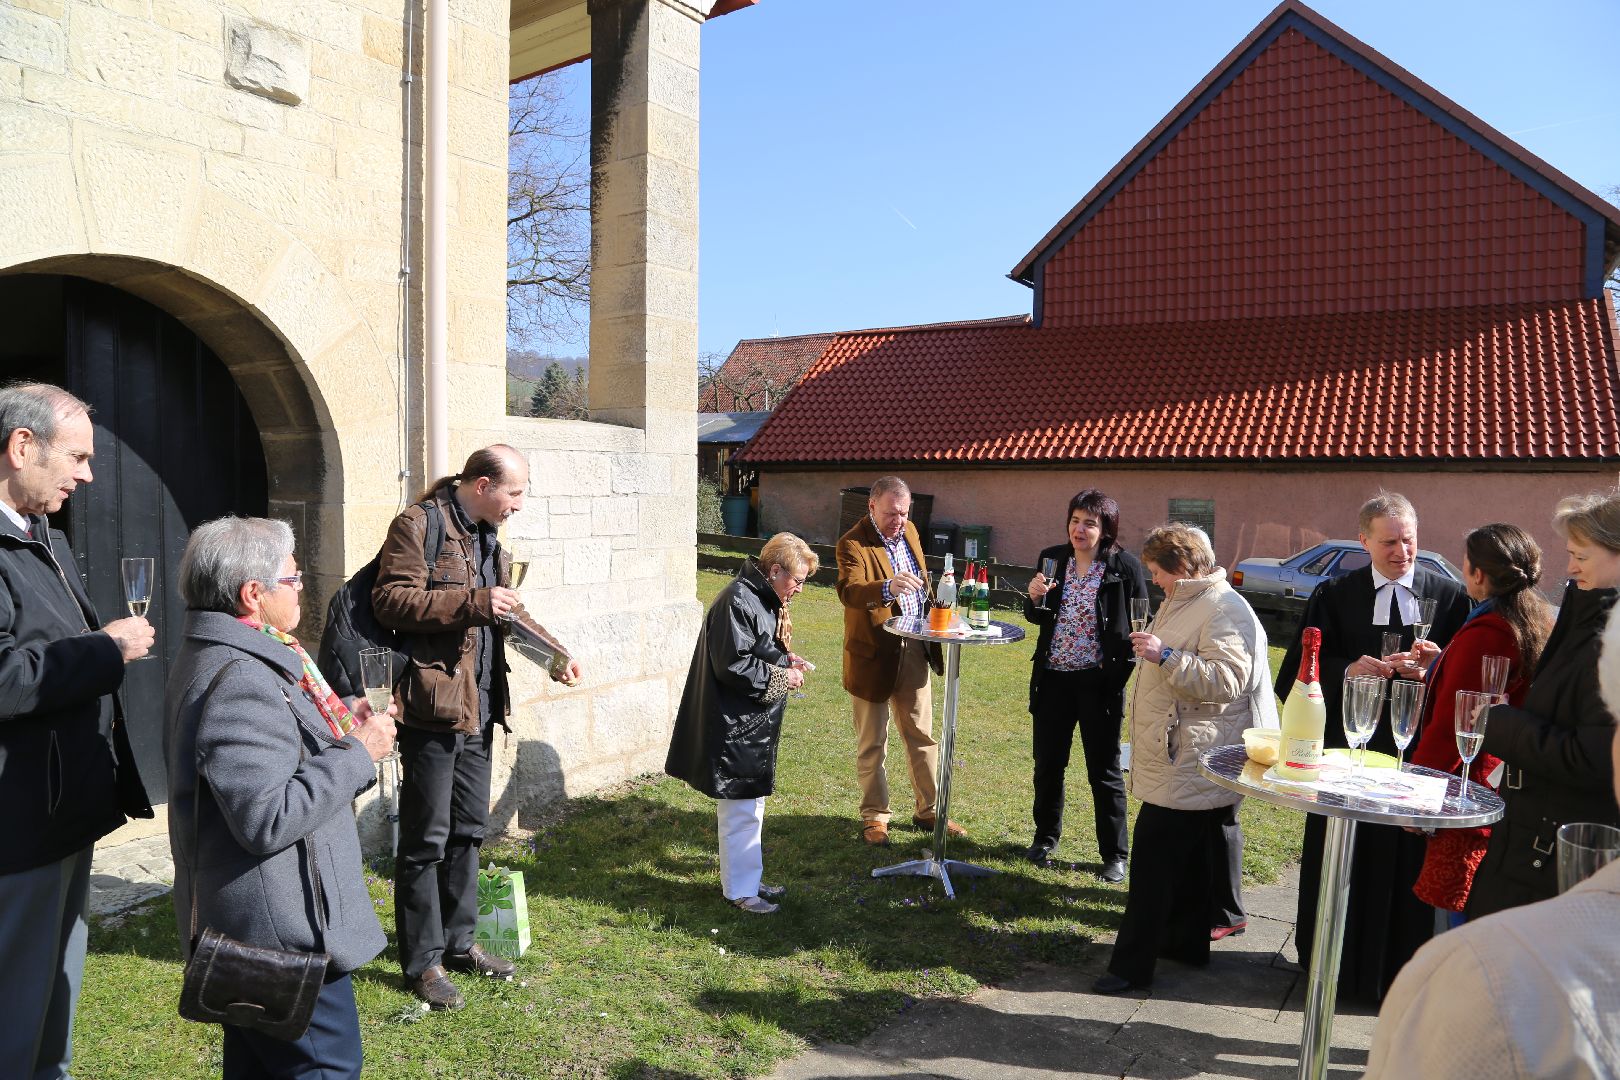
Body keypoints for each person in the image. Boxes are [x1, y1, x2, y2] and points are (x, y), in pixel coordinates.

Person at [166, 516, 397, 1078]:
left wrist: (338, 728)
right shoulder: (242, 674)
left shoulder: (239, 654)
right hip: (282, 940)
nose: (301, 589)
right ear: (253, 594)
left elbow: (272, 753)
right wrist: (359, 752)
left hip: (263, 926)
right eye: (293, 579)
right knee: (324, 1069)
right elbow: (265, 817)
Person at [1364, 604, 1620, 1080]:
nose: (1571, 563)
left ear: (1477, 573)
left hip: (1506, 824)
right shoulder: (1552, 621)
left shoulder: (1493, 961)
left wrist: (1493, 726)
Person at [374, 445, 583, 1009]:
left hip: (483, 706)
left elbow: (505, 610)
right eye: (514, 493)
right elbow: (390, 601)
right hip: (434, 708)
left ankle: (461, 942)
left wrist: (554, 653)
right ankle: (422, 961)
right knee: (426, 840)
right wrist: (474, 600)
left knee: (469, 831)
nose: (519, 504)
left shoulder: (488, 536)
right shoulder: (419, 525)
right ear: (484, 483)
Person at [0, 381, 154, 1079]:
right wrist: (104, 649)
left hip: (63, 812)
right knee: (14, 1005)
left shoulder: (45, 537)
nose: (88, 476)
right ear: (21, 445)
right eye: (79, 457)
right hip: (17, 824)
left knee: (54, 998)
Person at [1275, 491, 1470, 1002]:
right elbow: (1294, 673)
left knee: (1404, 855)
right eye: (1389, 543)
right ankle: (1330, 962)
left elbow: (1466, 681)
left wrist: (1434, 668)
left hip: (1413, 751)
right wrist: (1348, 671)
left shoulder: (1449, 597)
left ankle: (1397, 968)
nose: (1401, 552)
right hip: (1348, 749)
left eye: (1408, 540)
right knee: (1343, 852)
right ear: (1363, 541)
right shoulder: (1334, 594)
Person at [1093, 524, 1276, 993]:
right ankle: (1184, 946)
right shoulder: (1189, 599)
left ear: (1182, 565)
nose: (1153, 580)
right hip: (1189, 749)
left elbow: (1229, 680)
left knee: (1153, 863)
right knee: (1192, 861)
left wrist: (1166, 656)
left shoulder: (1223, 607)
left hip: (1194, 753)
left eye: (1157, 571)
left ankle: (1129, 968)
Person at [1464, 494, 1620, 920]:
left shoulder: (1611, 645)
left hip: (1551, 855)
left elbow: (1592, 760)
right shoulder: (1584, 621)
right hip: (1533, 842)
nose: (1569, 568)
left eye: (1581, 556)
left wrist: (1500, 723)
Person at [1399, 524, 1551, 920]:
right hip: (1501, 785)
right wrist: (1443, 664)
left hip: (1472, 789)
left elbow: (1457, 720)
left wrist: (1418, 797)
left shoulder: (1488, 632)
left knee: (1462, 922)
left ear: (1478, 574)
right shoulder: (1525, 619)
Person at [665, 533, 815, 914]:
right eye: (797, 580)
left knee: (751, 805)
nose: (798, 589)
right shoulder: (738, 599)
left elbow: (756, 647)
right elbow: (733, 664)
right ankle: (741, 892)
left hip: (747, 724)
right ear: (775, 570)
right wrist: (784, 679)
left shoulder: (758, 597)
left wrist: (785, 660)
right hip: (735, 726)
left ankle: (748, 878)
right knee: (741, 810)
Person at [1023, 489, 1147, 881]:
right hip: (1054, 679)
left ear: (1105, 528)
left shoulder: (1124, 566)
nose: (1080, 529)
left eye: (1089, 523)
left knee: (1104, 771)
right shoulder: (1052, 558)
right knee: (1048, 765)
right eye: (1075, 520)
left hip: (1100, 684)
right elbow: (1039, 616)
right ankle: (1045, 836)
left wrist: (1117, 677)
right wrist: (1033, 597)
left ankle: (1114, 854)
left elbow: (1140, 621)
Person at [835, 475, 953, 846]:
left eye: (903, 513)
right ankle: (875, 817)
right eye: (891, 513)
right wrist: (888, 587)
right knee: (873, 742)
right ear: (872, 506)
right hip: (873, 655)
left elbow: (922, 579)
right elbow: (849, 591)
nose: (898, 520)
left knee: (922, 735)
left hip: (915, 648)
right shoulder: (852, 543)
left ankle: (930, 810)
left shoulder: (912, 532)